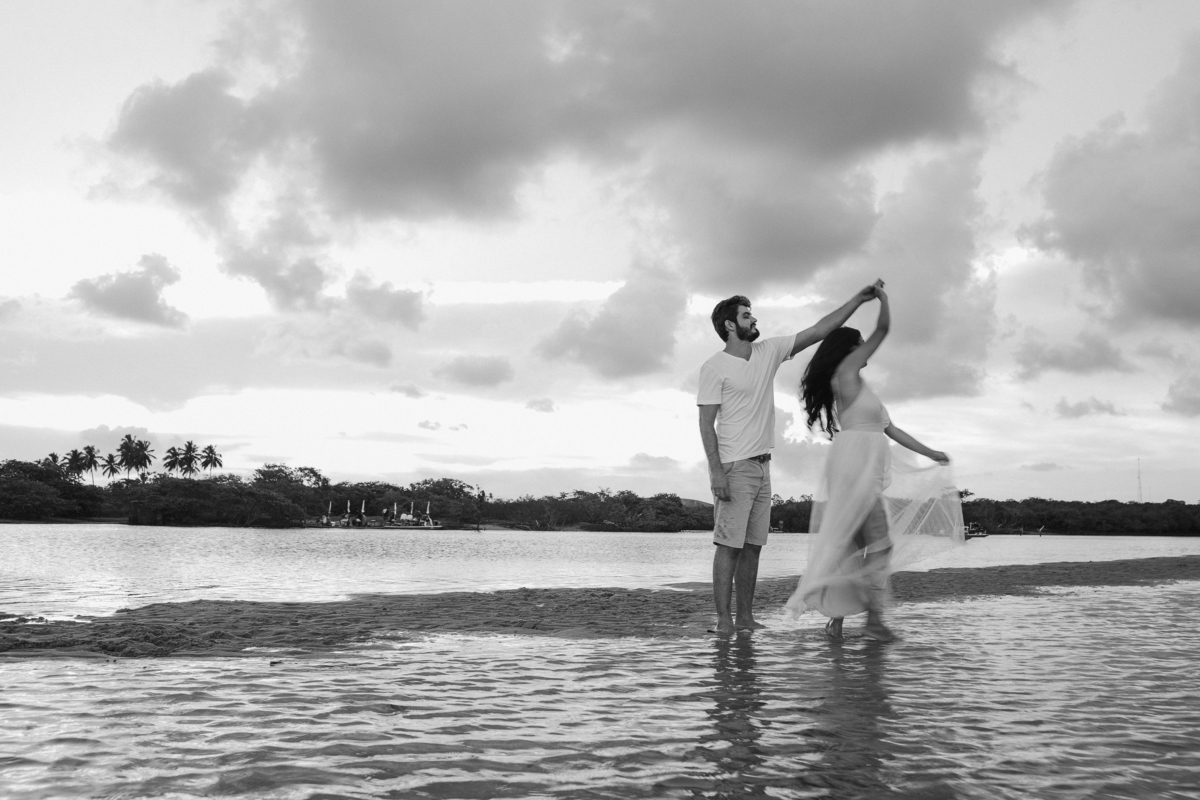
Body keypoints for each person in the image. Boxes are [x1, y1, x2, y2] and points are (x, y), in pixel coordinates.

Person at [697, 282, 883, 636]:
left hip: (763, 465)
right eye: (746, 315)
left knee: (753, 547)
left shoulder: (768, 351)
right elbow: (706, 423)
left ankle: (745, 618)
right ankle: (723, 620)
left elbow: (820, 329)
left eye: (752, 314)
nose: (754, 319)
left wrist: (858, 300)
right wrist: (716, 472)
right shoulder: (714, 367)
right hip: (734, 466)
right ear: (730, 325)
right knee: (728, 546)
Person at [786, 287, 962, 641]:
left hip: (859, 465)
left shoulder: (860, 385)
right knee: (881, 544)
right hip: (855, 467)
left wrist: (931, 453)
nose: (866, 347)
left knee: (851, 545)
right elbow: (882, 331)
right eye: (861, 343)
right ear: (851, 349)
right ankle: (873, 622)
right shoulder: (847, 371)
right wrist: (882, 300)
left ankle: (839, 621)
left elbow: (890, 429)